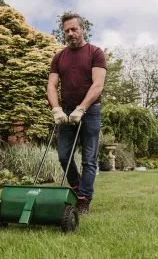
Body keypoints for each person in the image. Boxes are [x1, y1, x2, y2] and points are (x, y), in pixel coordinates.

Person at [47, 13, 106, 214]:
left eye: (74, 29)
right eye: (67, 30)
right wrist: (56, 109)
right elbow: (52, 86)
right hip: (66, 111)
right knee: (64, 156)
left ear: (82, 29)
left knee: (89, 158)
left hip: (90, 112)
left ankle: (83, 199)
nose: (70, 33)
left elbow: (98, 85)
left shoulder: (95, 52)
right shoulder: (58, 57)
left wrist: (82, 108)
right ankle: (75, 186)